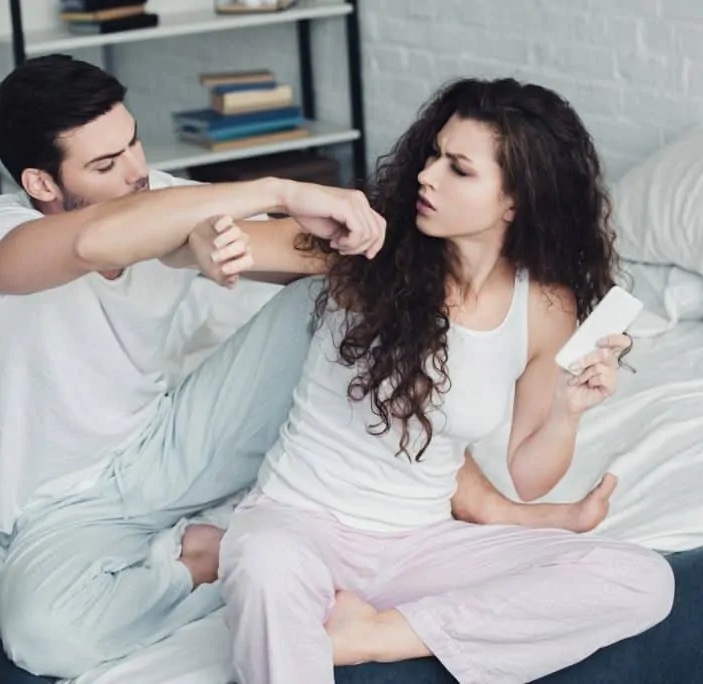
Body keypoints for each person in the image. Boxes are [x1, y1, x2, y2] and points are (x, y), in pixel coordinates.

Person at [219, 78, 676, 684]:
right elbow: (210, 246)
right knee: (262, 565)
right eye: (433, 155)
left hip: (420, 544)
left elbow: (529, 475)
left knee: (642, 579)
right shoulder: (363, 248)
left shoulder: (542, 305)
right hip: (298, 522)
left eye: (458, 169)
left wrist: (569, 411)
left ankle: (373, 635)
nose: (427, 176)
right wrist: (248, 213)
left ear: (516, 201)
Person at [0, 53, 387, 677]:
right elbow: (91, 240)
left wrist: (229, 239)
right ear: (41, 183)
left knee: (334, 298)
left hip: (169, 443)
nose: (137, 172)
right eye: (104, 164)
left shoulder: (164, 195)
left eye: (133, 143)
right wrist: (277, 189)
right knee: (46, 636)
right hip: (65, 503)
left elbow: (302, 253)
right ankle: (200, 562)